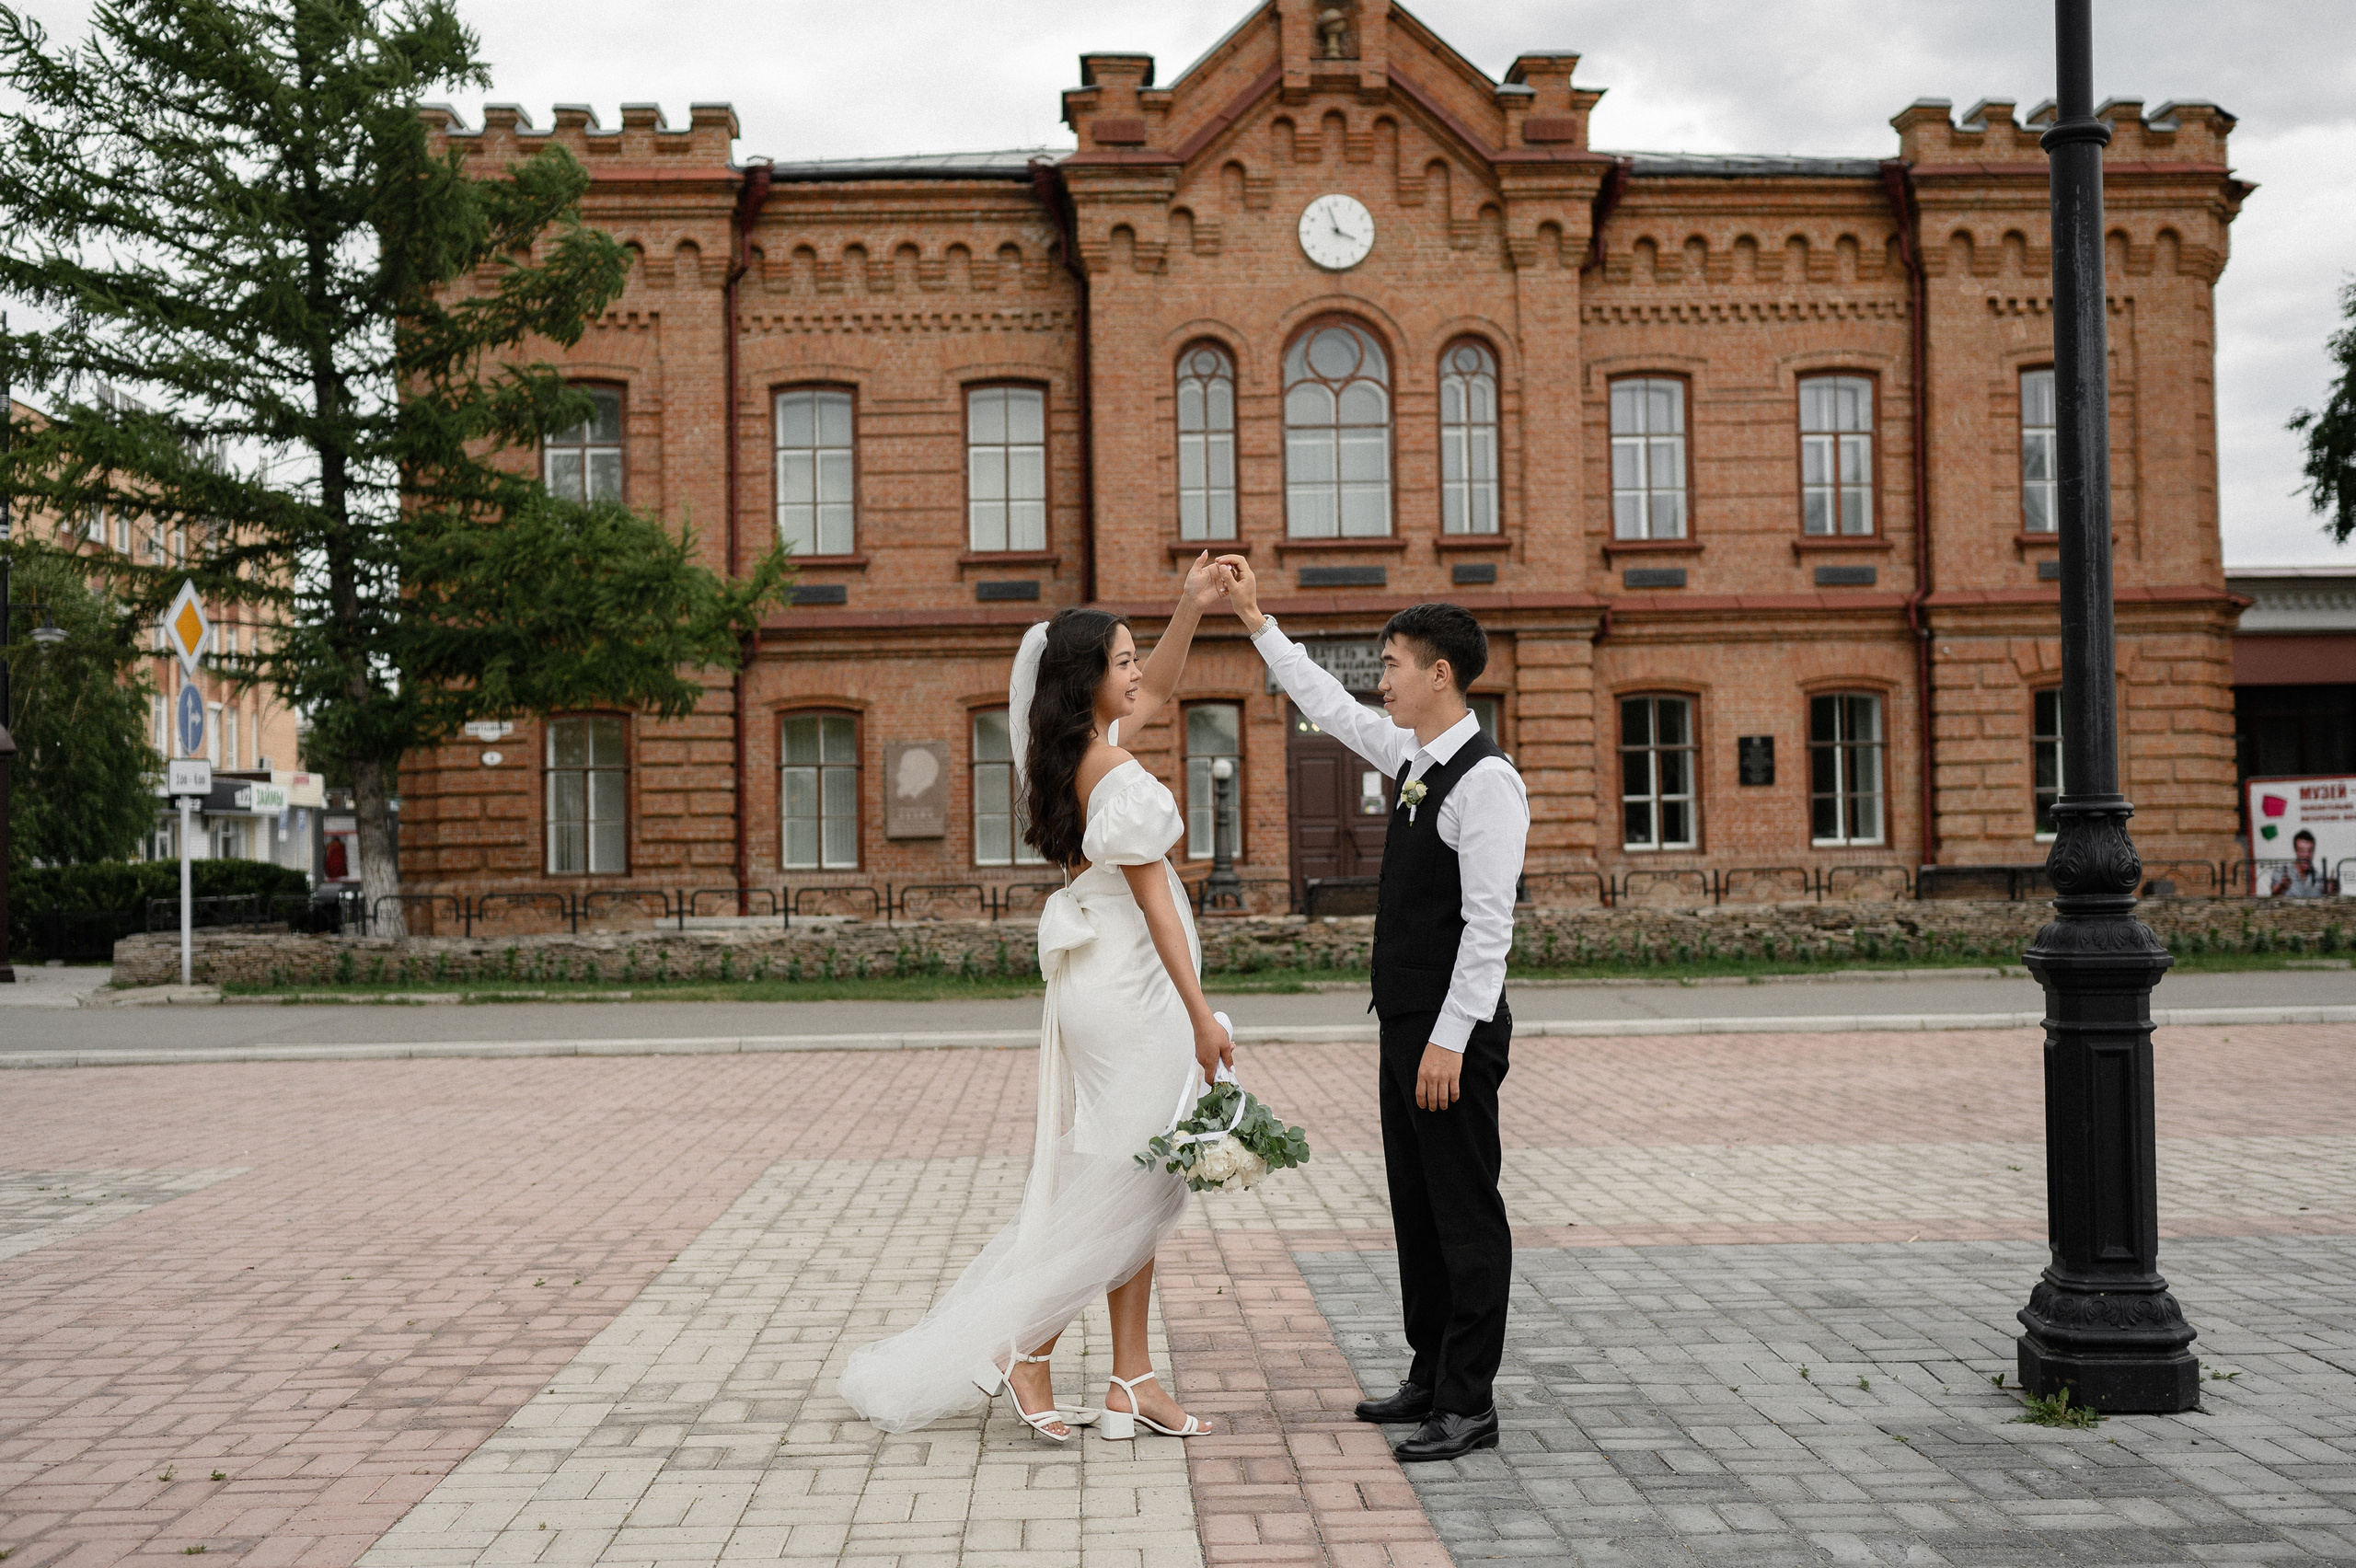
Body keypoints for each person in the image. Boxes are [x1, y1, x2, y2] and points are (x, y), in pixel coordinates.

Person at [837, 553, 1237, 1443]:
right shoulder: (1118, 777)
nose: (1139, 673)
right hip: (1137, 991)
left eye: (1136, 657)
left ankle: (1130, 1380)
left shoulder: (1068, 756)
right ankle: (1028, 1344)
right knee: (1132, 1181)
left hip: (1097, 988)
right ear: (1090, 679)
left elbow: (1160, 690)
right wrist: (1202, 1015)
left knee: (1140, 1173)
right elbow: (1159, 908)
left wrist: (1187, 608)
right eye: (1124, 660)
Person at [1217, 556, 1527, 1462]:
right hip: (1404, 1028)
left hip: (1449, 1039)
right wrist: (1255, 621)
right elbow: (1331, 702)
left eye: (1391, 664)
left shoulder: (1485, 782)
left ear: (1439, 674)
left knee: (1464, 1214)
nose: (1378, 679)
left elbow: (1487, 930)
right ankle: (1430, 1375)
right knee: (1416, 1207)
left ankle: (1469, 1404)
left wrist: (1449, 1042)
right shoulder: (1410, 757)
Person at [2269, 830, 2337, 897]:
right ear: (2296, 851)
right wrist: (2282, 887)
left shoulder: (2318, 877)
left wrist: (2331, 890)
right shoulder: (2282, 872)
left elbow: (2329, 894)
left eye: (2310, 851)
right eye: (2302, 851)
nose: (2306, 855)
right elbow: (2274, 894)